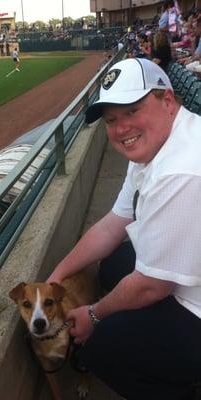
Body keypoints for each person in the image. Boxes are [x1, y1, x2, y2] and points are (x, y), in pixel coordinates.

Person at [47, 58, 201, 400]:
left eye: (132, 110)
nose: (121, 128)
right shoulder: (156, 146)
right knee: (116, 263)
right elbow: (112, 226)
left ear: (168, 101)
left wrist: (94, 315)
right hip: (185, 283)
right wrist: (56, 276)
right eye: (111, 119)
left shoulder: (182, 170)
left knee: (98, 348)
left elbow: (151, 287)